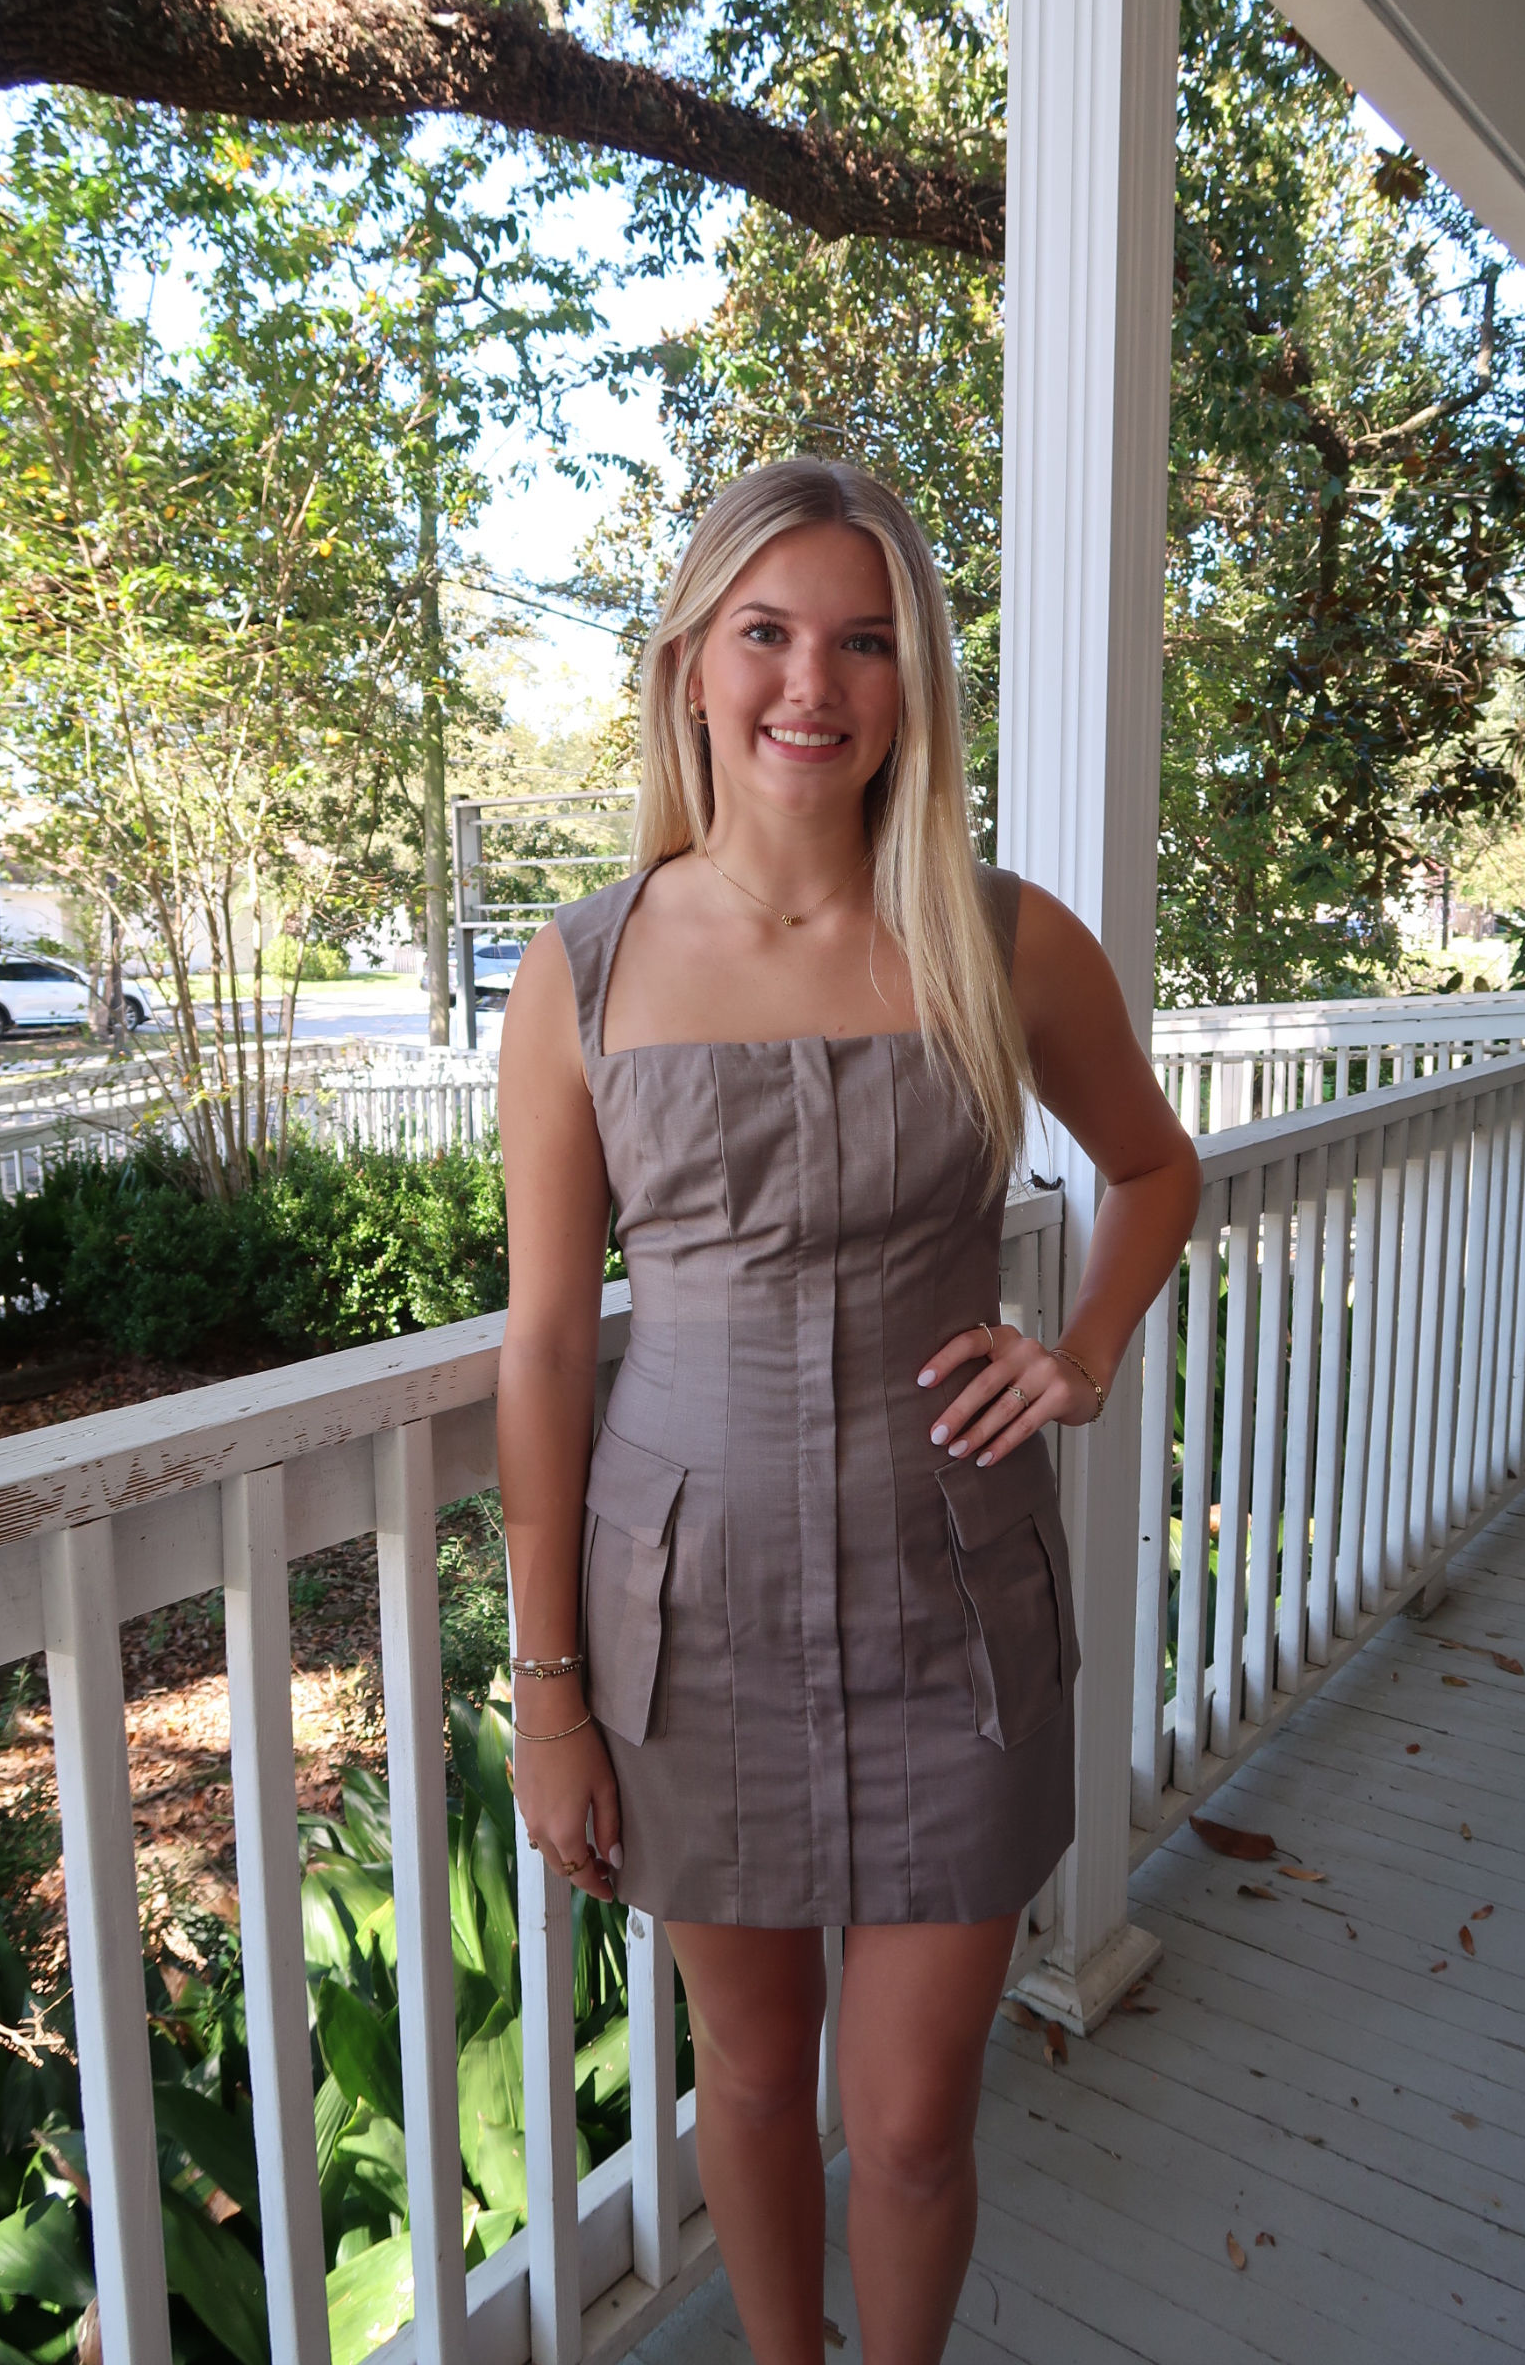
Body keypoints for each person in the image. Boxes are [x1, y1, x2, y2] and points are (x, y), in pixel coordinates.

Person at [496, 458, 1201, 2365]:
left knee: (906, 2117)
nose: (815, 683)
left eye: (866, 641)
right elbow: (549, 1349)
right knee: (747, 2068)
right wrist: (546, 1691)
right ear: (692, 664)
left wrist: (1083, 1354)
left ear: (916, 683)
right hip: (688, 1622)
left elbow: (1154, 1171)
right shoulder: (583, 974)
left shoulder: (1001, 935)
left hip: (946, 1599)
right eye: (770, 632)